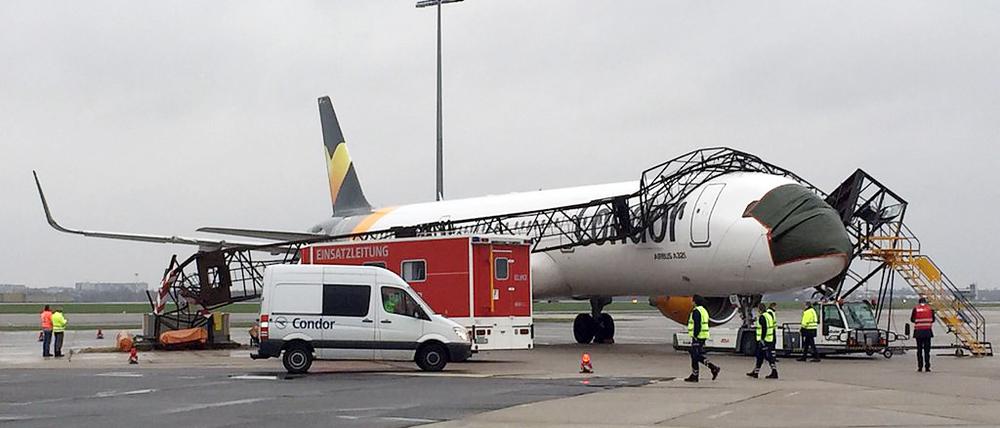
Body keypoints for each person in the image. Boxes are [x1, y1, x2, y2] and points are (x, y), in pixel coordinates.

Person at [684, 295, 721, 382]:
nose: (691, 302)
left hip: (698, 336)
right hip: (703, 335)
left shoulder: (696, 311)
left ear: (695, 302)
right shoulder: (704, 310)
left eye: (692, 301)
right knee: (694, 355)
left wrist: (695, 335)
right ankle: (695, 375)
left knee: (695, 355)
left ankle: (713, 367)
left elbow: (697, 325)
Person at [747, 303, 778, 379]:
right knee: (759, 356)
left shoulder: (762, 317)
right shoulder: (768, 315)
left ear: (759, 310)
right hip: (769, 339)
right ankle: (756, 372)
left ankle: (774, 372)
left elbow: (764, 329)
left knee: (768, 357)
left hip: (765, 340)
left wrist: (762, 339)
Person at [910, 297, 935, 372]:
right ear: (925, 302)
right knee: (927, 351)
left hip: (918, 332)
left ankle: (920, 367)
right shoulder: (930, 309)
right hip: (927, 332)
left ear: (919, 302)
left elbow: (912, 319)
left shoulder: (916, 309)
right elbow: (933, 320)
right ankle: (927, 367)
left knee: (919, 350)